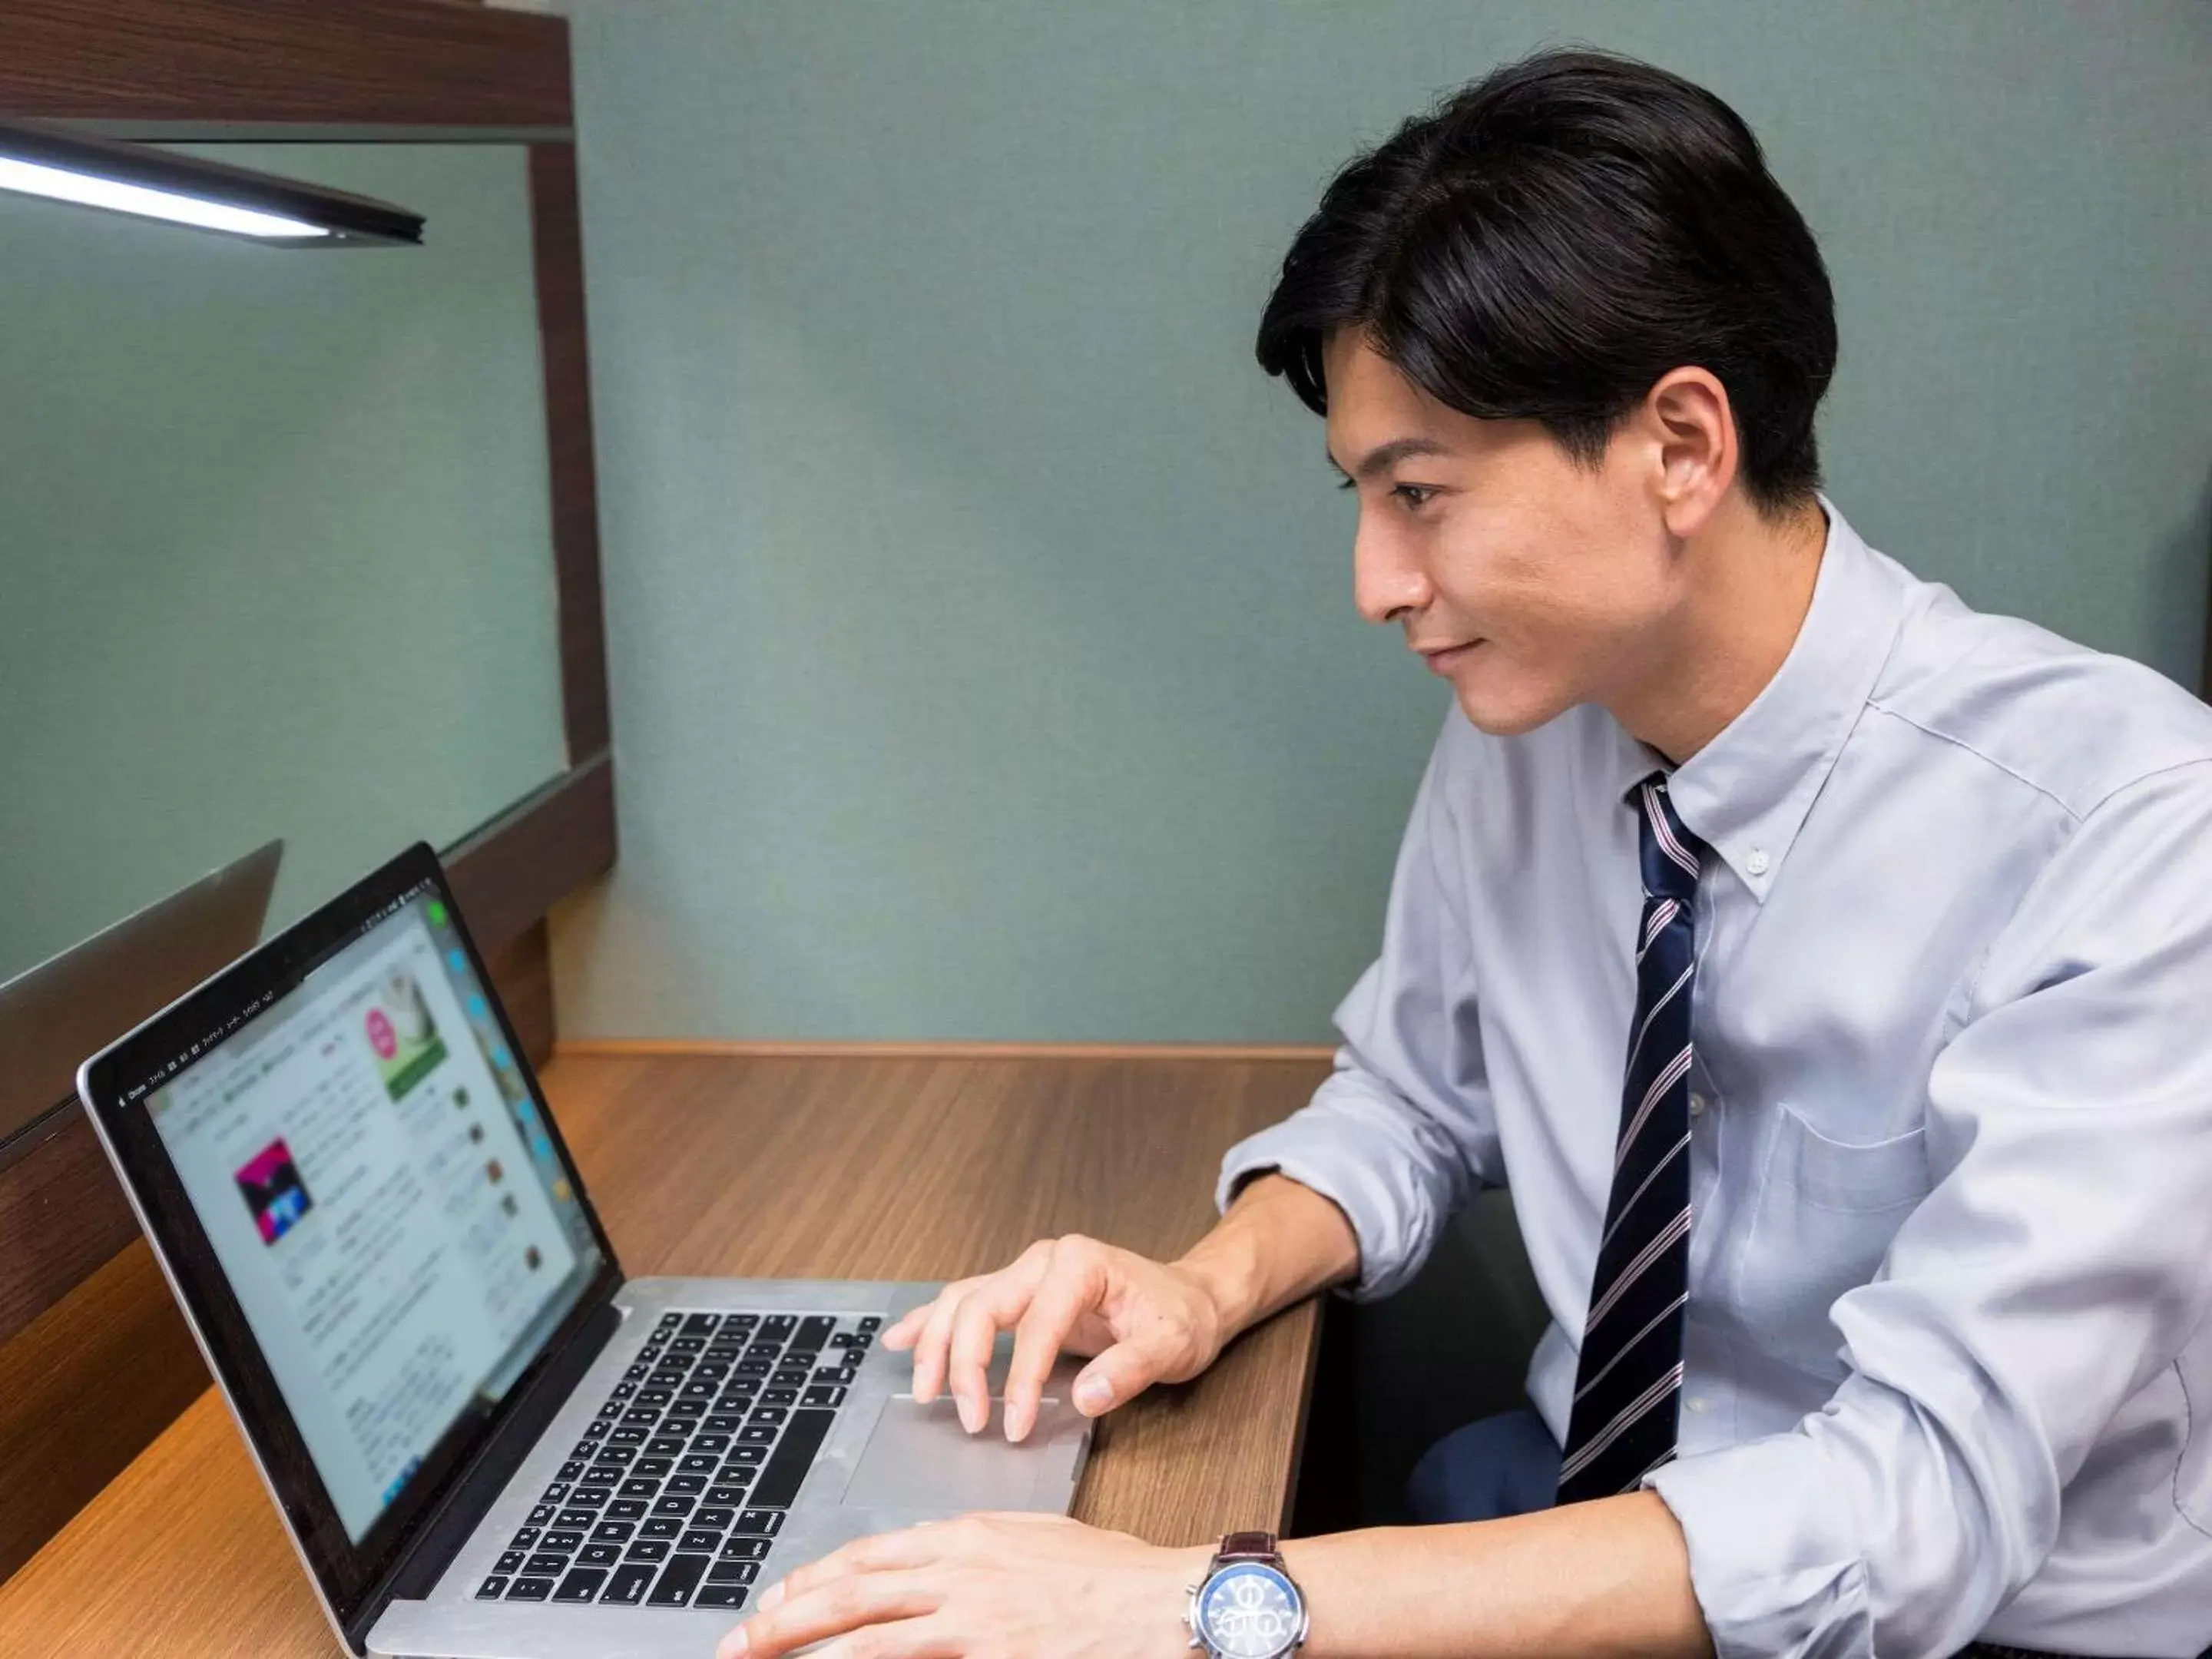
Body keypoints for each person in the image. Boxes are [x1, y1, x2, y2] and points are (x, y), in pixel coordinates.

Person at [718, 45, 2212, 1659]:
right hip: (1585, 1501)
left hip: (1987, 1621)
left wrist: (1202, 1604)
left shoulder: (2129, 832)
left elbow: (1912, 1510)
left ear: (1683, 448)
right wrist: (1200, 1288)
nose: (1375, 580)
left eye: (1419, 493)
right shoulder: (1540, 710)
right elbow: (1414, 1101)